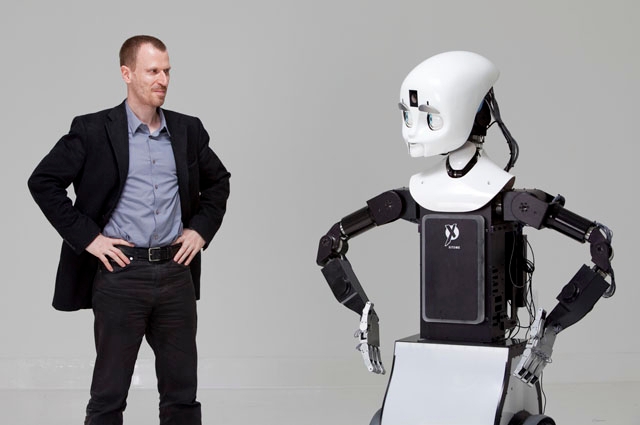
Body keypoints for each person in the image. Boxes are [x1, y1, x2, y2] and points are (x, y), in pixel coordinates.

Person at [28, 35, 230, 425]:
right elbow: (44, 182)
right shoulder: (91, 130)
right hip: (121, 275)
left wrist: (199, 230)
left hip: (176, 273)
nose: (163, 79)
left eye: (167, 71)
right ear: (127, 73)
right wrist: (89, 238)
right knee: (109, 394)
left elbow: (218, 182)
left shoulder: (188, 130)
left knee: (182, 393)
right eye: (153, 71)